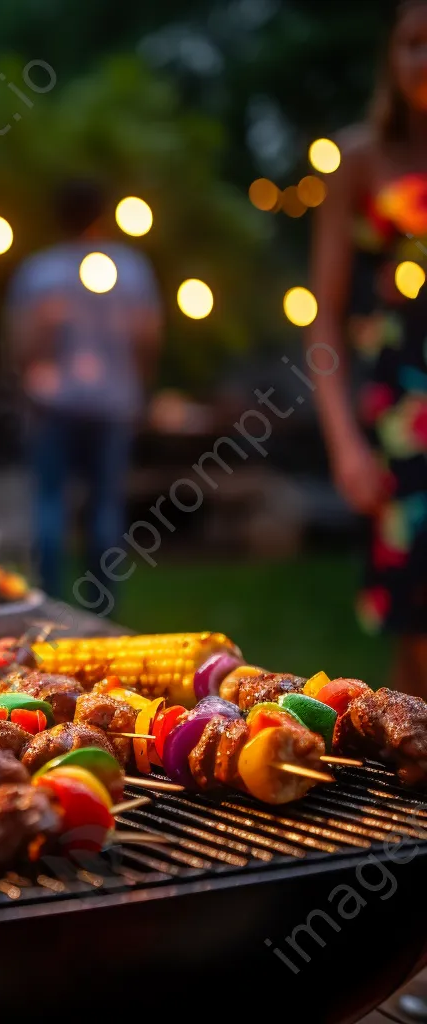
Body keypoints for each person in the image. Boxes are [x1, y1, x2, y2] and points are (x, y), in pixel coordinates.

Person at [309, 0, 427, 697]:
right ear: (390, 55)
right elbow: (322, 318)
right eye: (414, 42)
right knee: (415, 616)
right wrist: (344, 441)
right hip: (402, 421)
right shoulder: (360, 159)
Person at [6, 179, 162, 605]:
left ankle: (47, 602)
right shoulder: (131, 270)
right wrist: (137, 386)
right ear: (103, 213)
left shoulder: (40, 272)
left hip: (52, 403)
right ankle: (100, 607)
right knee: (105, 509)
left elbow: (23, 344)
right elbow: (149, 338)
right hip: (112, 404)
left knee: (50, 506)